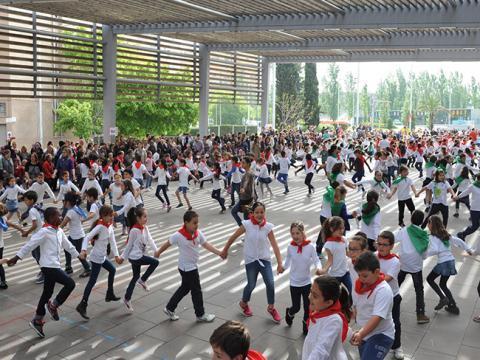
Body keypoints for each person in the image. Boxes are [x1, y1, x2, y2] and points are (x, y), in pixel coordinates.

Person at [7, 207, 85, 338]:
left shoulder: (59, 231)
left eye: (60, 216)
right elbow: (30, 244)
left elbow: (68, 246)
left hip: (54, 265)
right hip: (48, 266)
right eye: (57, 216)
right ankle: (54, 305)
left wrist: (79, 256)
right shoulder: (44, 231)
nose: (60, 218)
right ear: (49, 218)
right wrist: (16, 257)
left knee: (47, 292)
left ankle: (37, 320)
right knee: (70, 284)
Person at [221, 202, 283, 323]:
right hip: (251, 261)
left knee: (270, 283)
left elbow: (275, 246)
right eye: (257, 212)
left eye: (262, 212)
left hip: (264, 260)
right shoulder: (247, 225)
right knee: (251, 285)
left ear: (264, 213)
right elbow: (233, 237)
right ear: (252, 213)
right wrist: (225, 250)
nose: (259, 215)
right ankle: (244, 303)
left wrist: (280, 263)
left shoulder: (268, 227)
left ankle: (271, 308)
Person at [156, 210, 221, 322]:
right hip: (187, 268)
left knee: (185, 288)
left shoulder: (198, 233)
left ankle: (169, 308)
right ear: (186, 223)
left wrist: (219, 253)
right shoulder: (178, 235)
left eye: (197, 223)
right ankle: (200, 314)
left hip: (189, 266)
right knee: (196, 290)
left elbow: (206, 244)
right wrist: (158, 252)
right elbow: (167, 244)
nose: (197, 225)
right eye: (194, 223)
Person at [76, 205, 121, 320]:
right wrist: (84, 250)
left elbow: (113, 241)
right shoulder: (100, 226)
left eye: (112, 215)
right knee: (92, 281)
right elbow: (86, 238)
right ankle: (83, 305)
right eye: (110, 216)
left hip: (102, 257)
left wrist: (116, 255)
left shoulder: (109, 226)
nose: (112, 217)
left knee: (112, 270)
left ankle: (109, 294)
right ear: (103, 216)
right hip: (96, 258)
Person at [351, 252, 395, 360]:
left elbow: (377, 317)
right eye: (359, 275)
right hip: (366, 332)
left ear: (376, 272)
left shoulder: (383, 290)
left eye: (365, 276)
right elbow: (358, 306)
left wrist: (361, 333)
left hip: (381, 334)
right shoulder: (360, 285)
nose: (361, 279)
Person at [425, 215, 473, 315]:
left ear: (432, 225)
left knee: (429, 279)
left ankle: (443, 299)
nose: (427, 224)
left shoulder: (433, 237)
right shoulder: (445, 234)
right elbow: (459, 241)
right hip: (450, 261)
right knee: (443, 284)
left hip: (443, 263)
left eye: (428, 222)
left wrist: (423, 255)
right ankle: (453, 306)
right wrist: (468, 249)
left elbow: (435, 250)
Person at [283, 221, 321, 335]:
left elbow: (316, 260)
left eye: (297, 233)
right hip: (294, 283)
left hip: (306, 283)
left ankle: (306, 325)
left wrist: (319, 268)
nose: (295, 236)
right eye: (293, 233)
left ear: (303, 233)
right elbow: (288, 261)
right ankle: (289, 313)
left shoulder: (310, 247)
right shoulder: (290, 247)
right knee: (296, 307)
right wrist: (282, 268)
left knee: (307, 307)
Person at [118, 207, 159, 312]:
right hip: (136, 257)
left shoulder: (145, 228)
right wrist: (122, 257)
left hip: (139, 256)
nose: (146, 218)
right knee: (155, 262)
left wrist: (156, 250)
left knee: (135, 277)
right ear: (138, 218)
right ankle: (143, 280)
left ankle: (127, 298)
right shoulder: (134, 230)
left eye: (146, 216)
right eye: (144, 216)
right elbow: (129, 245)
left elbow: (150, 239)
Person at [302, 275, 350, 360]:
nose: (309, 297)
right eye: (310, 292)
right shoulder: (318, 309)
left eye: (315, 296)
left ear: (328, 302)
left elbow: (322, 349)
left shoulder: (334, 320)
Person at [395, 210, 430, 324]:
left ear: (411, 219)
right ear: (421, 222)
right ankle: (420, 314)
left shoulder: (404, 230)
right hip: (416, 266)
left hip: (403, 263)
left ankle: (389, 305)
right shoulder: (424, 235)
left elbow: (393, 239)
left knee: (396, 284)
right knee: (419, 289)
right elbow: (424, 255)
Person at [376, 231, 403, 360]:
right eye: (379, 244)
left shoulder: (395, 261)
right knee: (376, 321)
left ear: (392, 246)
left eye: (385, 245)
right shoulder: (374, 256)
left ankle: (397, 347)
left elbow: (387, 278)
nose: (381, 247)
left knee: (395, 322)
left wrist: (372, 277)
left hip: (393, 296)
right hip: (377, 296)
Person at [59, 191, 91, 277]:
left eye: (64, 201)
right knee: (67, 249)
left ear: (68, 202)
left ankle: (88, 269)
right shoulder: (76, 208)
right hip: (77, 234)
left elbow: (63, 224)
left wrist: (55, 230)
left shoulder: (70, 212)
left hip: (76, 236)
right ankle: (68, 267)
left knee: (78, 254)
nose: (63, 203)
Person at [317, 216, 351, 294]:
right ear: (332, 229)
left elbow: (347, 253)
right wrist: (323, 270)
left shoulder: (344, 239)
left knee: (351, 291)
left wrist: (357, 256)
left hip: (345, 272)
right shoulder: (329, 244)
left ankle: (351, 305)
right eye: (339, 228)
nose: (342, 230)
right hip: (335, 275)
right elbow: (330, 260)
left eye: (342, 228)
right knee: (335, 294)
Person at [0, 203, 25, 289]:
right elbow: (11, 225)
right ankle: (3, 282)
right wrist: (21, 230)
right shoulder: (3, 218)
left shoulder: (2, 219)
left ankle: (6, 260)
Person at [455, 173, 480, 242]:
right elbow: (465, 192)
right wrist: (457, 197)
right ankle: (462, 234)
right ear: (478, 179)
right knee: (475, 226)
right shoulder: (473, 186)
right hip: (475, 209)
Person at [231, 156, 255, 227]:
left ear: (248, 164)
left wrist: (243, 188)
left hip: (245, 198)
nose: (242, 164)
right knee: (246, 218)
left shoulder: (248, 173)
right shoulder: (249, 172)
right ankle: (245, 229)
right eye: (242, 162)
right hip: (249, 197)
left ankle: (242, 227)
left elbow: (246, 182)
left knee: (234, 211)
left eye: (243, 163)